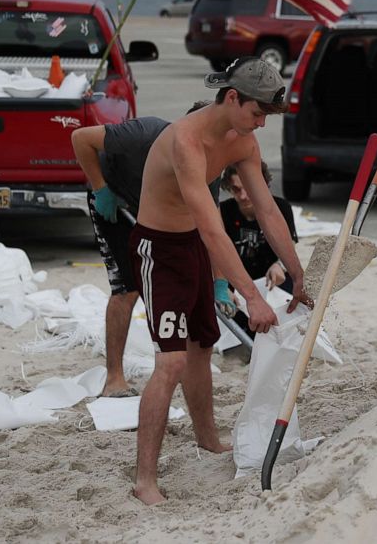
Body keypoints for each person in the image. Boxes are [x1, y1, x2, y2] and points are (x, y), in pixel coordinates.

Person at [128, 57, 311, 505]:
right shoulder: (185, 140)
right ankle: (143, 478)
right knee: (170, 362)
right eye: (257, 113)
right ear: (232, 97)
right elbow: (214, 228)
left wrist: (299, 273)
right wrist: (252, 299)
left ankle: (207, 438)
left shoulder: (242, 141)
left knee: (202, 346)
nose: (261, 125)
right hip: (160, 249)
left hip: (193, 245)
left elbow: (268, 211)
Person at [71, 116, 168, 398]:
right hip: (113, 200)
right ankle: (114, 378)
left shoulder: (204, 160)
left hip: (152, 206)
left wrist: (221, 283)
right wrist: (101, 189)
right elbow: (80, 138)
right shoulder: (144, 133)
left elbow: (210, 228)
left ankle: (169, 366)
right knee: (127, 288)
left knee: (164, 283)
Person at [219, 161, 298, 294]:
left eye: (249, 188)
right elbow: (216, 252)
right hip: (235, 283)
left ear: (264, 185)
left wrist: (280, 265)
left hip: (273, 281)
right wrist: (221, 285)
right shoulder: (223, 211)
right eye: (236, 189)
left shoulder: (281, 207)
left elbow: (290, 247)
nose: (243, 196)